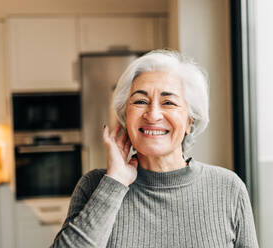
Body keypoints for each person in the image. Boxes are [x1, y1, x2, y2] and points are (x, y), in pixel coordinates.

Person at [51, 50, 259, 247]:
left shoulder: (228, 188)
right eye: (141, 101)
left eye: (168, 102)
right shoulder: (95, 185)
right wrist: (115, 182)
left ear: (189, 121)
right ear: (125, 117)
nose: (153, 115)